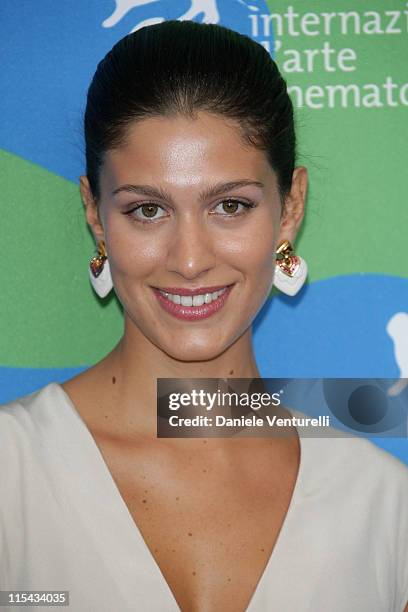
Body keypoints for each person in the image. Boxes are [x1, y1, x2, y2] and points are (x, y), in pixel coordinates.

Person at [0, 19, 407, 612]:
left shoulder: (383, 509)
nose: (189, 260)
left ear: (290, 207)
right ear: (95, 214)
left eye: (230, 205)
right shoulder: (12, 475)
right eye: (146, 210)